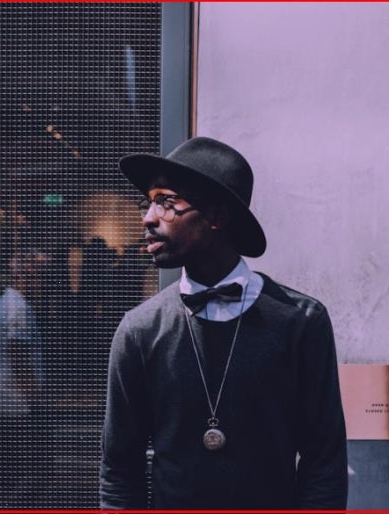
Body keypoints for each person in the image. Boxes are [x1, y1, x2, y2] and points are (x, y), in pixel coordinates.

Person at [100, 136, 348, 509]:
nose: (148, 218)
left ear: (216, 216)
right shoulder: (140, 330)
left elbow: (324, 464)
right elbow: (119, 472)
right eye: (148, 203)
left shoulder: (301, 322)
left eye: (166, 202)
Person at [0, 249, 48, 507]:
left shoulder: (2, 304)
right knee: (26, 475)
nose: (41, 284)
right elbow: (19, 356)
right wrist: (34, 398)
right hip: (16, 404)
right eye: (38, 276)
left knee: (8, 472)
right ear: (24, 277)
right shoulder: (18, 308)